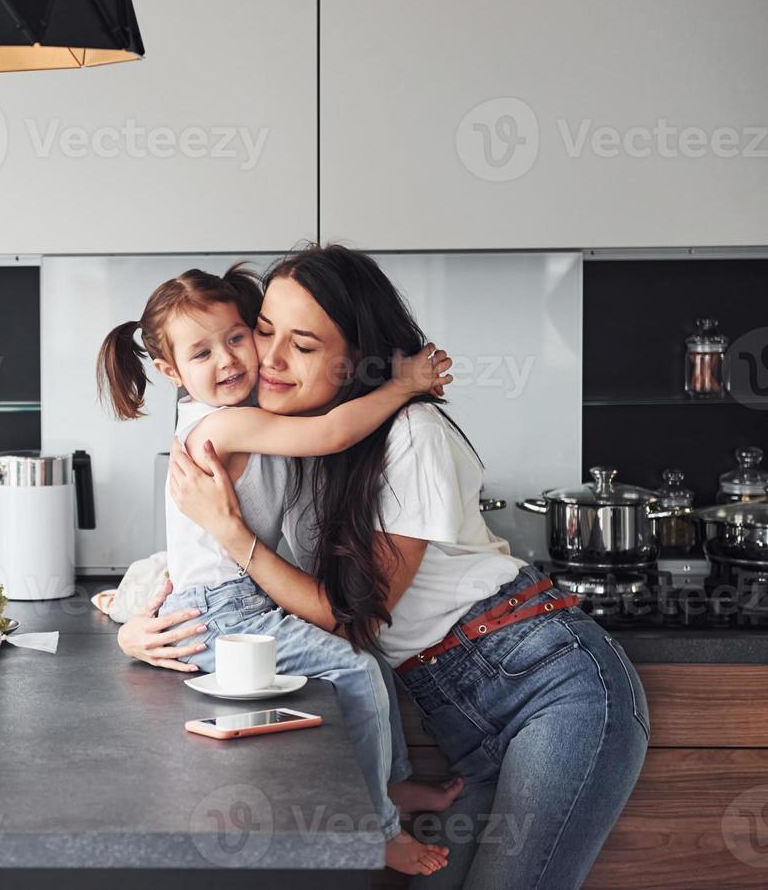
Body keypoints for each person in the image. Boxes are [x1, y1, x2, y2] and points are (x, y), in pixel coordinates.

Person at [120, 245, 648, 890]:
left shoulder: (408, 433)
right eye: (264, 332)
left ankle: (387, 811)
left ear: (355, 359)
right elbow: (190, 557)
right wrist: (136, 624)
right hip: (455, 704)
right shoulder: (281, 438)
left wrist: (231, 536)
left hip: (548, 684)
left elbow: (350, 616)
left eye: (304, 345)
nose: (267, 359)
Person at [97, 263, 457, 875]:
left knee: (369, 665)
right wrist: (401, 386)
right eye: (202, 352)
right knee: (359, 673)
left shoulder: (230, 412)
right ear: (169, 372)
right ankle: (381, 829)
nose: (231, 360)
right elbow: (332, 433)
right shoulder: (222, 422)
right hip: (224, 610)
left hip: (240, 597)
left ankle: (388, 788)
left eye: (238, 337)